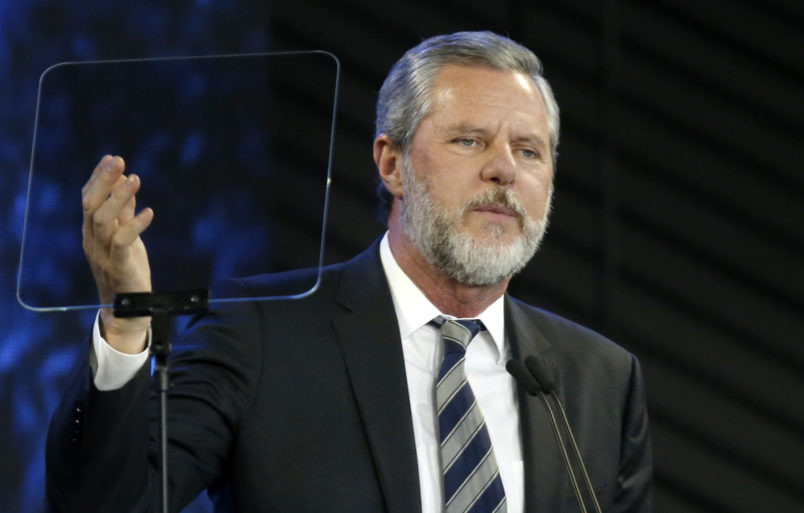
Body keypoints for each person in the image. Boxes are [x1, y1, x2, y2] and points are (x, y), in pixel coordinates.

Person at [46, 31, 652, 512]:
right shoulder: (260, 333)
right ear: (392, 165)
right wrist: (126, 327)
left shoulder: (598, 379)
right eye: (469, 141)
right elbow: (106, 504)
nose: (504, 171)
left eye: (529, 151)